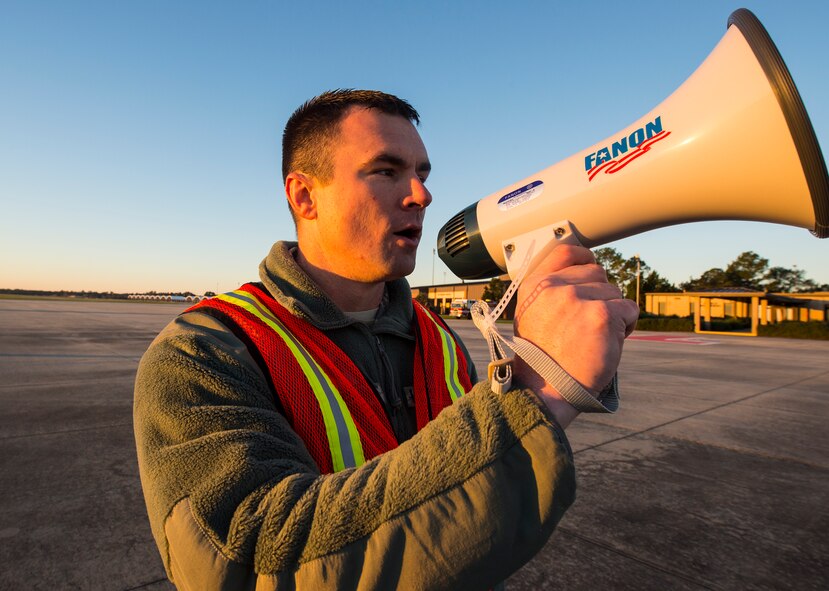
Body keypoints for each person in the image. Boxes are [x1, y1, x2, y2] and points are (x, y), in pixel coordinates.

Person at [133, 89, 639, 590]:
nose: (421, 195)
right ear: (304, 196)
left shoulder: (439, 339)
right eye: (386, 171)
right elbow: (251, 564)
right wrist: (535, 390)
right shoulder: (204, 350)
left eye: (422, 173)